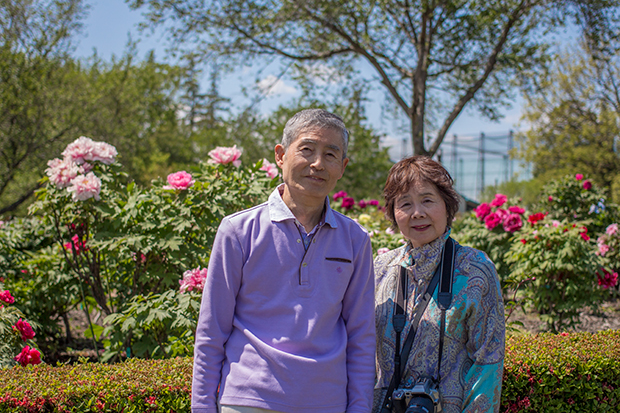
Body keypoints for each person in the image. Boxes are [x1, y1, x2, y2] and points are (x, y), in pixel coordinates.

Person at [191, 109, 376, 413]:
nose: (318, 164)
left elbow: (361, 337)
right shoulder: (238, 231)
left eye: (331, 155)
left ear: (342, 167)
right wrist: (201, 408)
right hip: (248, 400)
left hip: (326, 403)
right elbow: (212, 331)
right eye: (307, 149)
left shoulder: (356, 240)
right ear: (280, 155)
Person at [373, 156, 505, 413]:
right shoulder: (380, 268)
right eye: (405, 204)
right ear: (393, 213)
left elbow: (487, 361)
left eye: (427, 200)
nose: (417, 213)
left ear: (448, 206)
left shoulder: (474, 269)